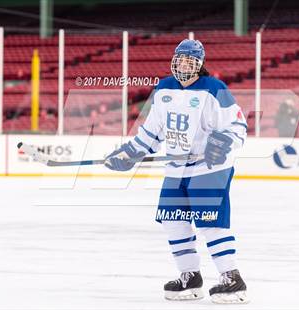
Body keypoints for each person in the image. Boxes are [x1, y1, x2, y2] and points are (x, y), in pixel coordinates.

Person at [104, 39, 249, 304]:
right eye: (180, 59)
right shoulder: (164, 88)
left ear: (199, 64)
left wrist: (222, 143)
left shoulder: (215, 89)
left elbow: (238, 128)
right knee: (173, 220)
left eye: (189, 60)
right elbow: (151, 132)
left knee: (210, 222)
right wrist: (129, 153)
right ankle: (189, 276)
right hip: (176, 168)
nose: (183, 64)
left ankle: (232, 278)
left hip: (210, 168)